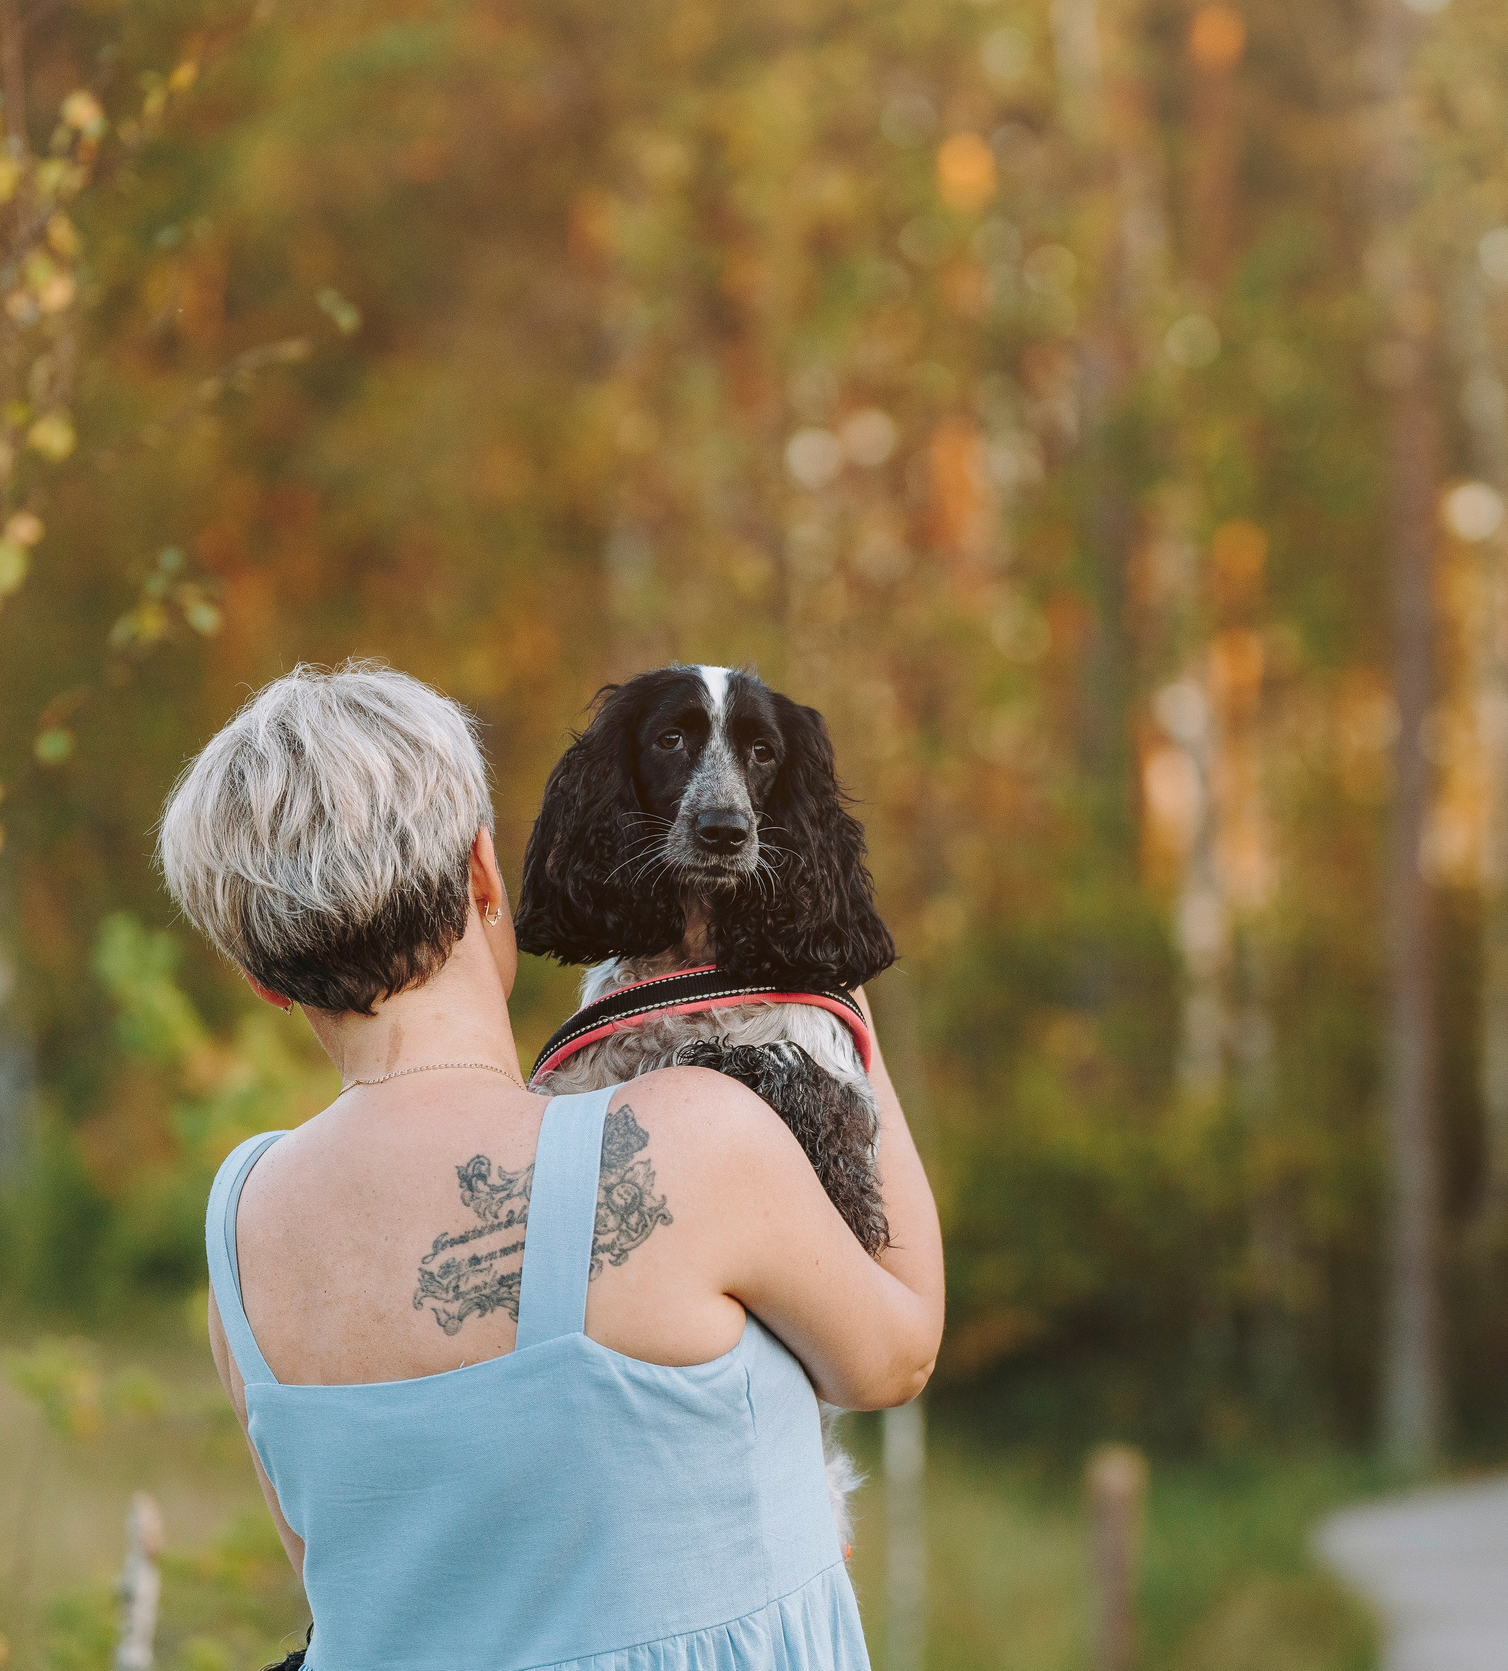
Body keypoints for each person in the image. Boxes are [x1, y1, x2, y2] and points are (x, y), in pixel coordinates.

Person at [158, 661, 941, 1671]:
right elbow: (898, 1353)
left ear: (263, 980)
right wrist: (831, 988)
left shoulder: (239, 1226)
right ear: (485, 875)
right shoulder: (692, 1140)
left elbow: (348, 1571)